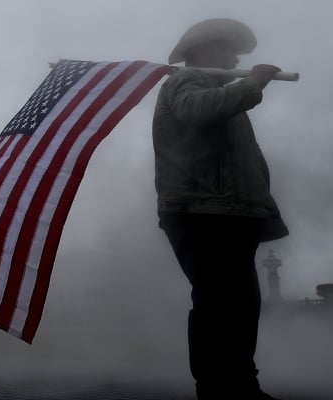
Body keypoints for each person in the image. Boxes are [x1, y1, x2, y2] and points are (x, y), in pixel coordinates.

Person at [153, 19, 288, 400]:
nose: (233, 59)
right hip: (202, 213)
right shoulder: (186, 81)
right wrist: (253, 83)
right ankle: (218, 389)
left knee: (241, 306)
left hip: (231, 214)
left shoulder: (223, 96)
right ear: (204, 50)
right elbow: (195, 111)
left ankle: (241, 385)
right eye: (227, 51)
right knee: (218, 304)